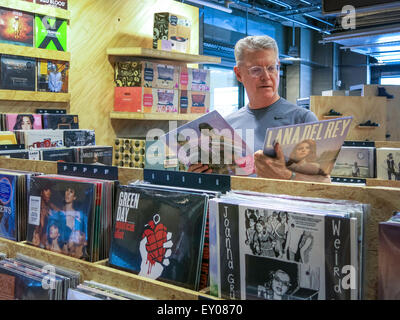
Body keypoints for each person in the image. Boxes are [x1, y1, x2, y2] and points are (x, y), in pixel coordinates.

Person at [189, 35, 330, 183]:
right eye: (256, 70)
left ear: (278, 67)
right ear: (238, 74)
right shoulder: (226, 125)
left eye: (271, 68)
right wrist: (201, 175)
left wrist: (288, 176)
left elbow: (325, 183)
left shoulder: (303, 119)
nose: (266, 76)